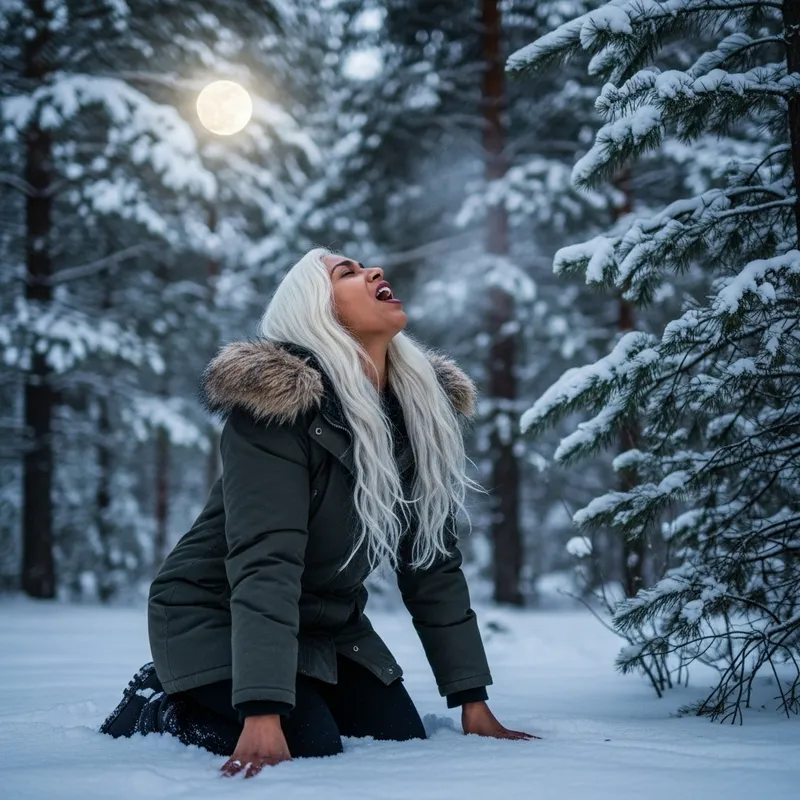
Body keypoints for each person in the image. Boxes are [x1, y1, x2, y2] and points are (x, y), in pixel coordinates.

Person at [99, 248, 537, 777]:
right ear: (315, 310)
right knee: (308, 741)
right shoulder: (276, 411)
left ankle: (286, 690)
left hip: (323, 627)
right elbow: (267, 559)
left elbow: (431, 565)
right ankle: (160, 702)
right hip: (215, 613)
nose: (374, 272)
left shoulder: (414, 414)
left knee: (396, 732)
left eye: (367, 267)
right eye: (346, 273)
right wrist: (261, 707)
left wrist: (472, 699)